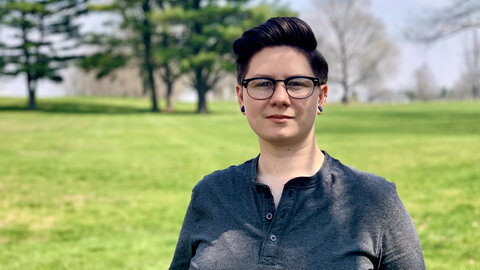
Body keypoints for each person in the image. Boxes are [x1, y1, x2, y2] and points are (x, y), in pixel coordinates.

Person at [169, 17, 425, 269]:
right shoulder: (211, 194)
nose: (280, 98)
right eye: (262, 84)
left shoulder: (375, 200)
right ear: (241, 97)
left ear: (321, 96)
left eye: (297, 84)